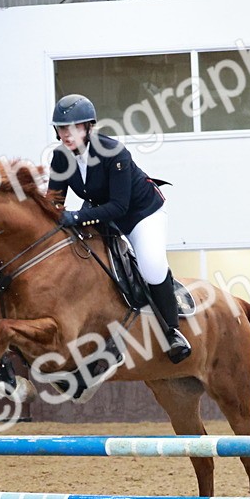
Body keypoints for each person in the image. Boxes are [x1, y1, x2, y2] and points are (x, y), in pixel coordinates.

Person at [45, 94, 191, 364]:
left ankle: (172, 331)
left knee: (151, 266)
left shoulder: (115, 152)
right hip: (100, 214)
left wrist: (75, 216)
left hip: (140, 213)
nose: (67, 134)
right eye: (62, 128)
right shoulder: (60, 158)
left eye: (74, 127)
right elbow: (54, 203)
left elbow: (120, 207)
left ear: (88, 127)